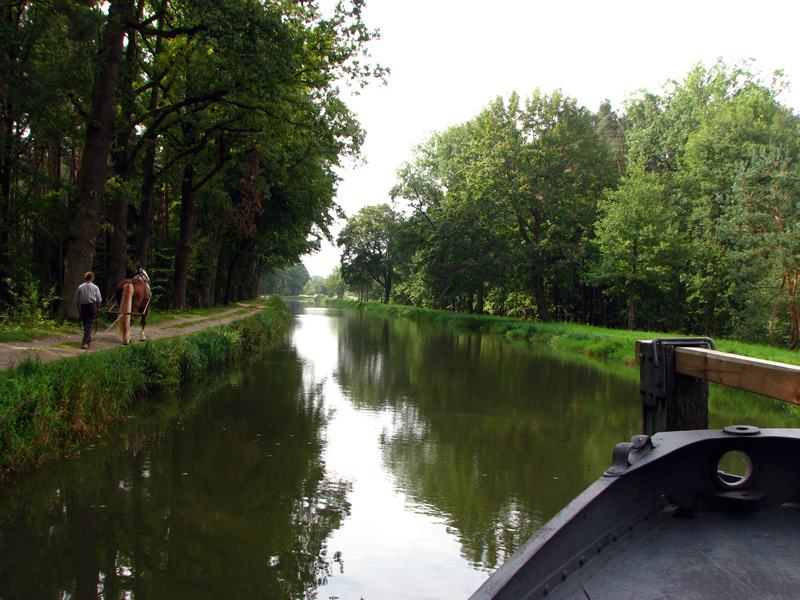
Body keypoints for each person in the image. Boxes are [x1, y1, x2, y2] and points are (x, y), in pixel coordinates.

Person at [74, 271, 102, 349]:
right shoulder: (95, 287)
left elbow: (77, 299)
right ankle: (85, 342)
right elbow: (98, 299)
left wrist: (79, 308)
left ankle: (88, 340)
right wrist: (98, 307)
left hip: (83, 307)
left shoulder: (80, 287)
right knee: (89, 324)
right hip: (91, 306)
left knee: (85, 323)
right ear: (92, 278)